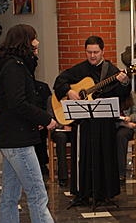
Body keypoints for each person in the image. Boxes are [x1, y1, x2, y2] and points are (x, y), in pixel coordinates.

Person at [0, 24, 82, 223]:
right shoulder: (14, 67)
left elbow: (14, 105)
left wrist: (35, 120)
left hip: (12, 136)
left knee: (9, 199)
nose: (37, 43)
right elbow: (18, 103)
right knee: (38, 196)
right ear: (25, 41)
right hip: (18, 140)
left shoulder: (11, 65)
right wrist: (45, 119)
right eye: (34, 39)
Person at [53, 36, 131, 207]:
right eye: (89, 52)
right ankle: (82, 193)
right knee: (82, 158)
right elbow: (59, 81)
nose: (93, 55)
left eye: (96, 52)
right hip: (83, 124)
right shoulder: (80, 69)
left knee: (105, 156)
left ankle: (104, 194)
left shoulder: (111, 70)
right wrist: (68, 91)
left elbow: (122, 94)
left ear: (103, 51)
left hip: (104, 123)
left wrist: (125, 83)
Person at [117, 93, 136, 182]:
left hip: (126, 127)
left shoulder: (130, 95)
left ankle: (121, 174)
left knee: (120, 136)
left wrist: (129, 118)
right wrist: (123, 124)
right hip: (114, 125)